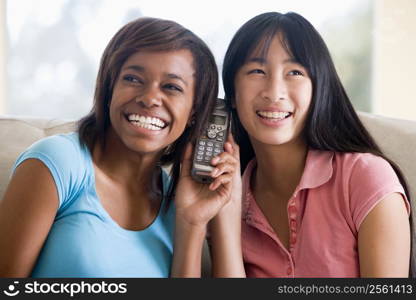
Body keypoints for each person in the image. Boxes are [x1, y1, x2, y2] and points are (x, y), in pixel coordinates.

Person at [0, 17, 239, 277]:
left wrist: (191, 223)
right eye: (133, 79)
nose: (149, 98)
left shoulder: (179, 201)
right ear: (109, 86)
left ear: (194, 111)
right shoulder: (56, 163)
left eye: (172, 87)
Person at [216, 11, 411, 277]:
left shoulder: (365, 177)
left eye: (295, 72)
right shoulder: (226, 193)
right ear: (233, 94)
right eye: (257, 71)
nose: (274, 92)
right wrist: (226, 218)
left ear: (318, 89)